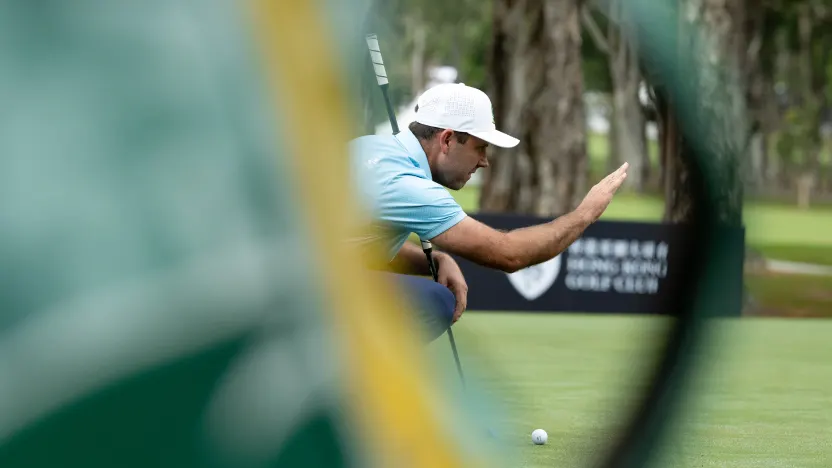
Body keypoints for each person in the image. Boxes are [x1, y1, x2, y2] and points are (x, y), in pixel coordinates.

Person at [350, 83, 628, 342]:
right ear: (447, 140)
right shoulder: (408, 185)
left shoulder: (368, 147)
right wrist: (585, 214)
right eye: (480, 148)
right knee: (435, 302)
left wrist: (433, 260)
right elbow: (508, 253)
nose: (484, 161)